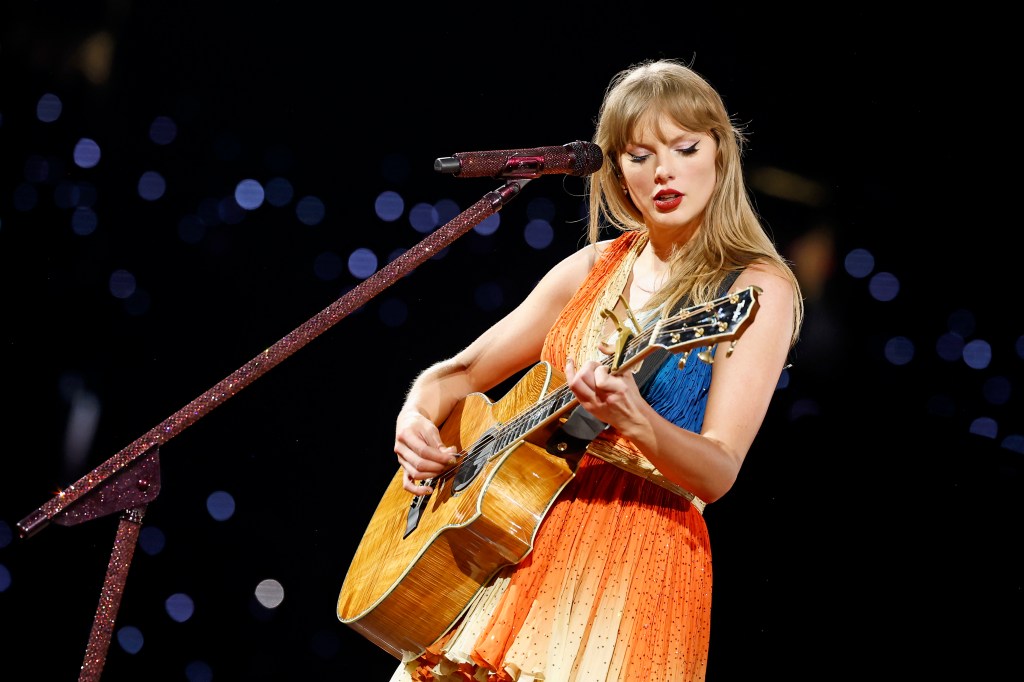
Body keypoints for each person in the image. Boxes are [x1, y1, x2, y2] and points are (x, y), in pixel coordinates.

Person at [389, 57, 804, 681]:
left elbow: (719, 470)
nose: (664, 171)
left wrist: (638, 421)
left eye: (685, 147)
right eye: (639, 156)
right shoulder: (590, 268)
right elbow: (456, 374)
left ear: (720, 152)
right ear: (614, 172)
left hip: (631, 559)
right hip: (510, 542)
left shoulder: (756, 288)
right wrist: (416, 418)